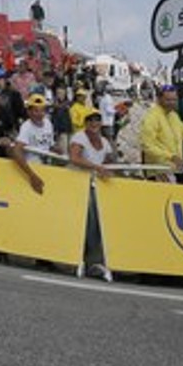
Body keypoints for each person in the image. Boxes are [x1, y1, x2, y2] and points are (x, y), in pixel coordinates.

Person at [68, 109, 116, 280]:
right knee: (89, 222)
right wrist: (97, 167)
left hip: (96, 186)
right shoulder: (79, 137)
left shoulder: (104, 141)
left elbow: (110, 160)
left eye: (97, 120)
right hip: (79, 186)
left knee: (99, 223)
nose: (94, 123)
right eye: (90, 120)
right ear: (85, 123)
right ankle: (82, 258)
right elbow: (74, 157)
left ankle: (93, 260)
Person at [8, 93, 59, 194]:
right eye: (36, 110)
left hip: (48, 167)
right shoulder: (26, 127)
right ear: (29, 112)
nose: (40, 114)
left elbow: (50, 144)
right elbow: (16, 151)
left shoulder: (48, 123)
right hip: (33, 168)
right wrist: (31, 175)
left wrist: (57, 149)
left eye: (42, 110)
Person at [139, 85, 183, 182]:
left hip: (175, 170)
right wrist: (171, 157)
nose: (172, 103)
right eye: (168, 100)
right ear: (159, 99)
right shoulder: (152, 117)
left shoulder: (174, 116)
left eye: (174, 100)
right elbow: (147, 145)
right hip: (159, 172)